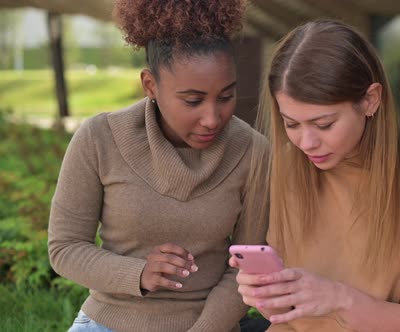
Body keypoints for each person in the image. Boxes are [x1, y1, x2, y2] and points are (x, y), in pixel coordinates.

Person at [47, 1, 269, 331]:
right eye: (192, 101)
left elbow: (247, 267)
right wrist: (138, 273)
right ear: (150, 85)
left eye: (226, 96)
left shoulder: (253, 151)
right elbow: (65, 248)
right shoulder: (98, 138)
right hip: (107, 321)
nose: (212, 119)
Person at [231, 20, 400, 331]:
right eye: (291, 124)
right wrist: (267, 294)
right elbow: (286, 314)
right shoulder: (288, 166)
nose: (306, 143)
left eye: (324, 124)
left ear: (370, 100)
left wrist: (339, 298)